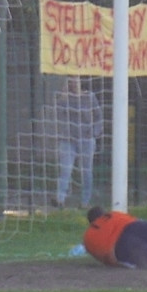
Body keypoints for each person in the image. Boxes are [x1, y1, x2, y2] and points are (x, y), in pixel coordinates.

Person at [54, 77, 104, 208]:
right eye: (70, 81)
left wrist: (94, 132)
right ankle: (60, 199)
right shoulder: (64, 99)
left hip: (86, 139)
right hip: (68, 139)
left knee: (86, 171)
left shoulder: (89, 97)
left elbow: (98, 116)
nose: (73, 83)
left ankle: (85, 202)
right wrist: (63, 97)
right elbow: (58, 114)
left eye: (75, 80)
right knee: (65, 169)